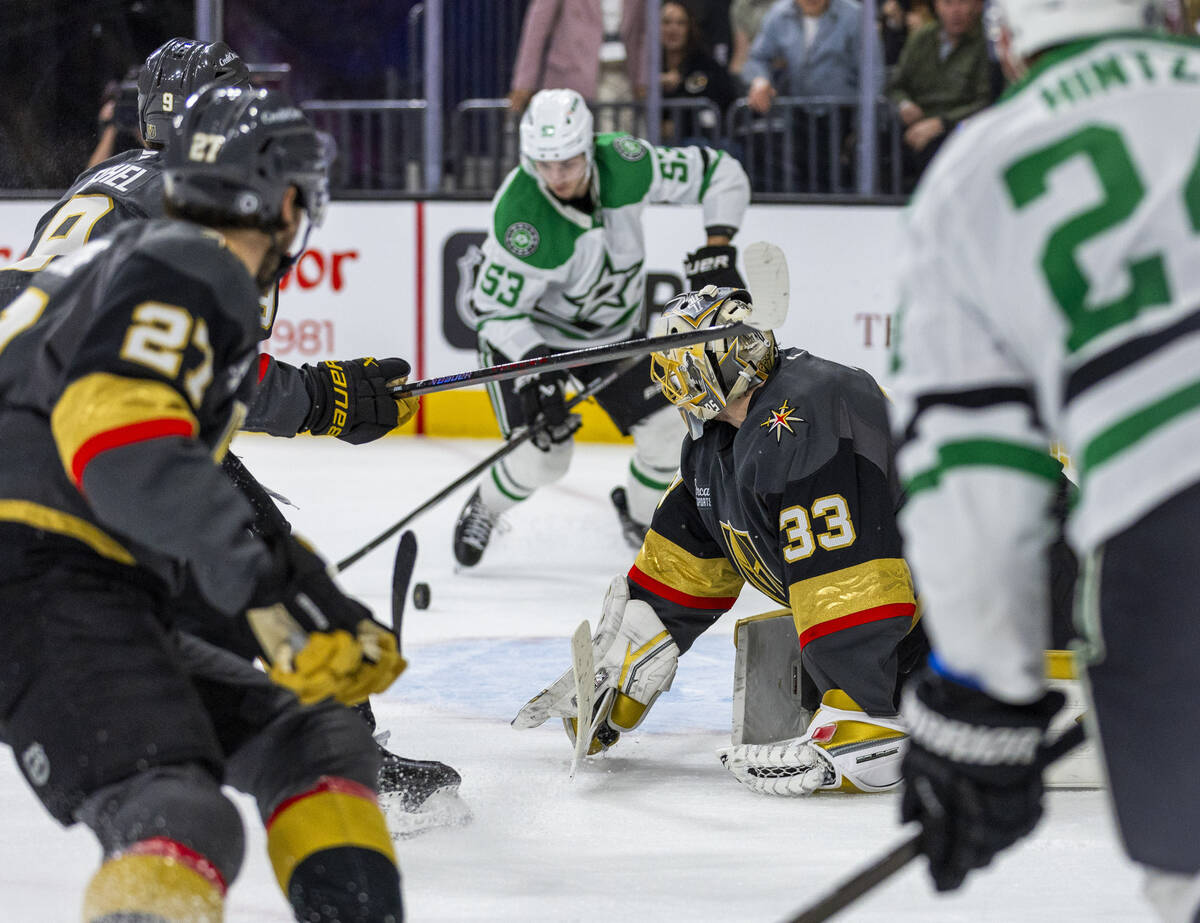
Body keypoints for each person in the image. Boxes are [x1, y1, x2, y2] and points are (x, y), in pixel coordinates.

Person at [0, 36, 463, 831]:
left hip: (41, 403)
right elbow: (172, 352)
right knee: (237, 547)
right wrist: (322, 397)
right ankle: (335, 755)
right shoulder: (194, 201)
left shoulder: (112, 181)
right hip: (63, 428)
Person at [888, 2, 1200, 918]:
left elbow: (975, 474)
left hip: (1173, 533)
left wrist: (986, 701)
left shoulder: (974, 170)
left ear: (1011, 39)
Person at [514, 286, 924, 795]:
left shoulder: (811, 406)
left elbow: (846, 572)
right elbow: (684, 563)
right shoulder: (714, 446)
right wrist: (623, 670)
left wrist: (861, 708)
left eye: (675, 362)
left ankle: (866, 722)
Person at [452, 88, 751, 567]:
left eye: (567, 162)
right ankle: (484, 506)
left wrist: (719, 245)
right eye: (544, 164)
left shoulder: (627, 162)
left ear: (588, 146)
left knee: (665, 434)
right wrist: (538, 369)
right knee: (545, 457)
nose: (556, 177)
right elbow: (494, 312)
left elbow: (722, 172)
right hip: (531, 339)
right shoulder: (520, 216)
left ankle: (637, 514)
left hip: (614, 334)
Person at [742, 0, 885, 191]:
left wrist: (861, 125)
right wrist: (759, 79)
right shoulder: (779, 14)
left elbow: (872, 73)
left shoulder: (854, 16)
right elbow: (757, 58)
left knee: (835, 180)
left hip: (843, 117)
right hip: (798, 114)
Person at [886, 0, 991, 188]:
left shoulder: (986, 43)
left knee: (936, 150)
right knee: (869, 148)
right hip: (914, 124)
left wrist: (941, 123)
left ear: (977, 6)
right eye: (948, 3)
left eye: (963, 3)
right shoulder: (921, 38)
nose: (955, 11)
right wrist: (904, 104)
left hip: (959, 128)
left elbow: (985, 101)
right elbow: (895, 86)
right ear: (937, 6)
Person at [660, 0, 742, 144]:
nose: (673, 29)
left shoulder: (706, 64)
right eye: (666, 22)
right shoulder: (651, 68)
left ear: (690, 27)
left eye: (680, 23)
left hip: (704, 142)